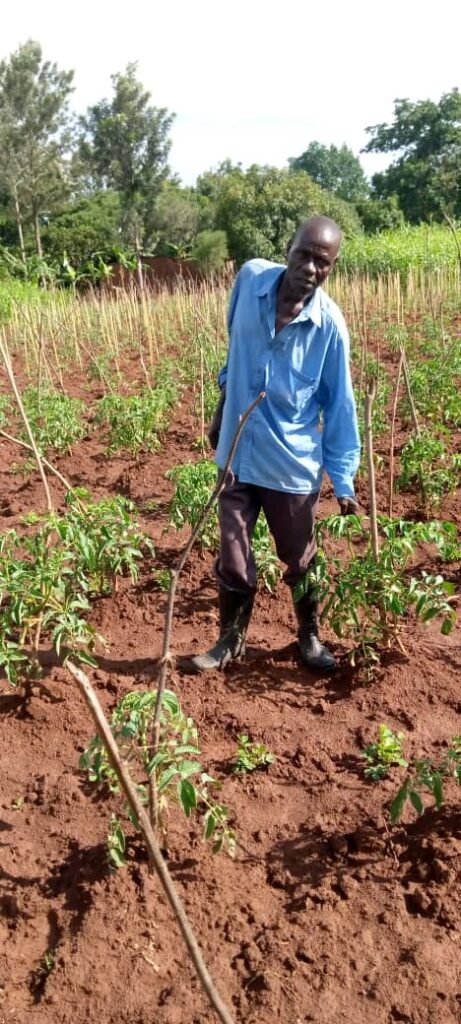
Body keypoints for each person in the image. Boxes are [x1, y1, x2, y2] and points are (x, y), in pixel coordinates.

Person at [189, 216, 360, 674]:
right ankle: (230, 640)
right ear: (288, 248)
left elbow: (339, 406)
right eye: (303, 254)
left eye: (321, 262)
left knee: (299, 557)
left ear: (332, 267)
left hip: (290, 465)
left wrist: (342, 481)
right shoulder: (249, 281)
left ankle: (309, 636)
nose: (309, 267)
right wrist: (223, 406)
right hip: (237, 453)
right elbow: (235, 350)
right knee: (233, 552)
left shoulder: (329, 328)